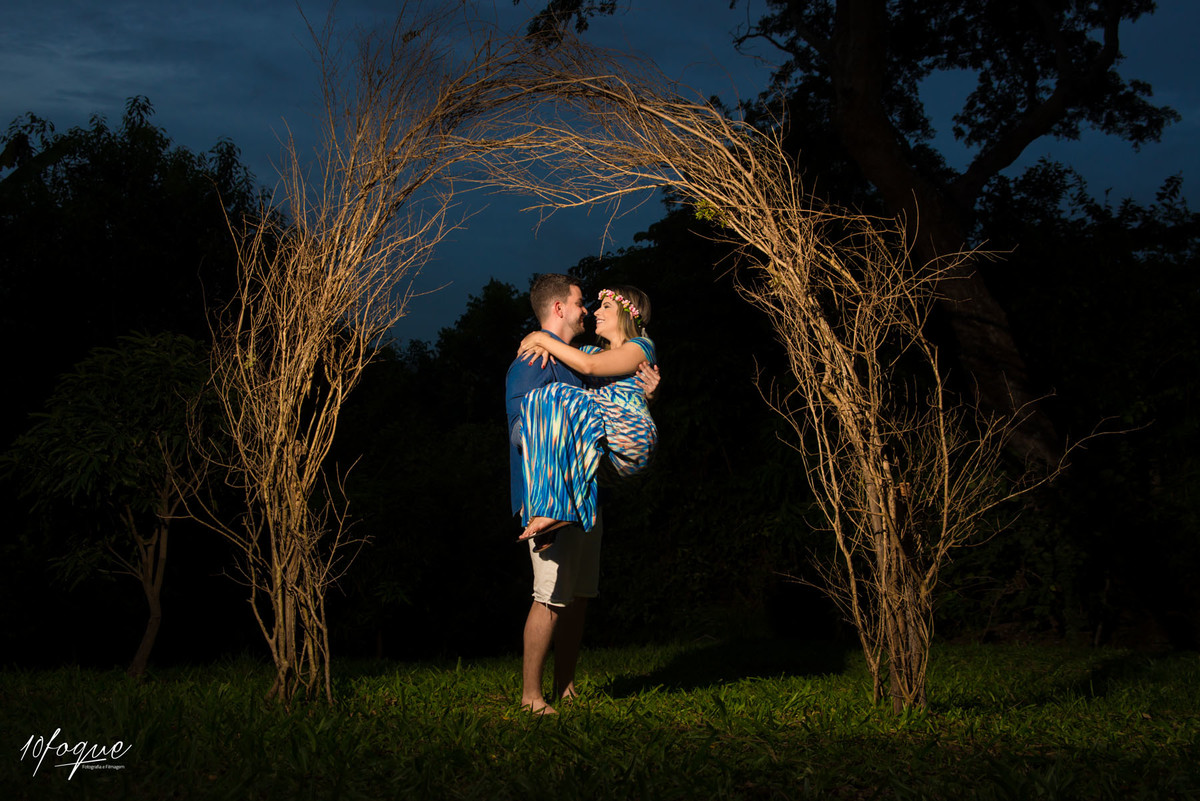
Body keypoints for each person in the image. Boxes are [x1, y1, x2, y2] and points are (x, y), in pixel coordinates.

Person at [505, 273, 658, 715]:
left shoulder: (591, 358)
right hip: (552, 493)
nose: (589, 311)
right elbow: (521, 430)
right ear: (559, 308)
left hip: (590, 488)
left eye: (602, 305)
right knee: (553, 597)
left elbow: (610, 391)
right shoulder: (537, 362)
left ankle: (565, 687)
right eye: (582, 303)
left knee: (576, 597)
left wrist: (647, 395)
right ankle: (533, 698)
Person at [515, 284, 658, 547]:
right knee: (539, 400)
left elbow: (589, 366)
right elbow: (569, 352)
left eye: (606, 306)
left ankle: (551, 508)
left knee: (555, 394)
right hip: (606, 457)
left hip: (631, 436)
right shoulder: (591, 351)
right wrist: (545, 345)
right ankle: (552, 513)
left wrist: (540, 338)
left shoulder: (641, 347)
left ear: (628, 314)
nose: (595, 312)